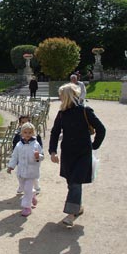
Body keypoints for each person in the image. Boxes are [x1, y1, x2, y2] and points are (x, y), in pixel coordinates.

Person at [49, 83, 106, 227]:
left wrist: (94, 145)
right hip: (68, 153)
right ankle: (78, 207)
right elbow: (55, 132)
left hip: (82, 153)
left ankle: (71, 214)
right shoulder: (62, 114)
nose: (59, 98)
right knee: (71, 182)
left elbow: (101, 129)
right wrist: (53, 151)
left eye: (61, 96)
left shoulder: (85, 111)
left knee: (75, 182)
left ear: (67, 96)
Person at [7, 122, 44, 217]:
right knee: (24, 188)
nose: (28, 135)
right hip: (21, 171)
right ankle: (33, 194)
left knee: (27, 189)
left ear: (33, 133)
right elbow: (15, 156)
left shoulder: (36, 144)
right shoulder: (19, 145)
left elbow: (42, 156)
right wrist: (11, 166)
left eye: (30, 132)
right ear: (22, 133)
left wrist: (38, 156)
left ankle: (27, 207)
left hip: (31, 171)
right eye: (25, 132)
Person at [12, 115, 43, 194]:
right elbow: (15, 149)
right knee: (20, 175)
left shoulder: (36, 138)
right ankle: (21, 186)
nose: (25, 124)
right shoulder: (17, 137)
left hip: (33, 161)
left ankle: (36, 187)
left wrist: (37, 156)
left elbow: (40, 150)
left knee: (33, 176)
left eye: (27, 122)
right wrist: (13, 163)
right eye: (22, 122)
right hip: (22, 160)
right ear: (19, 124)